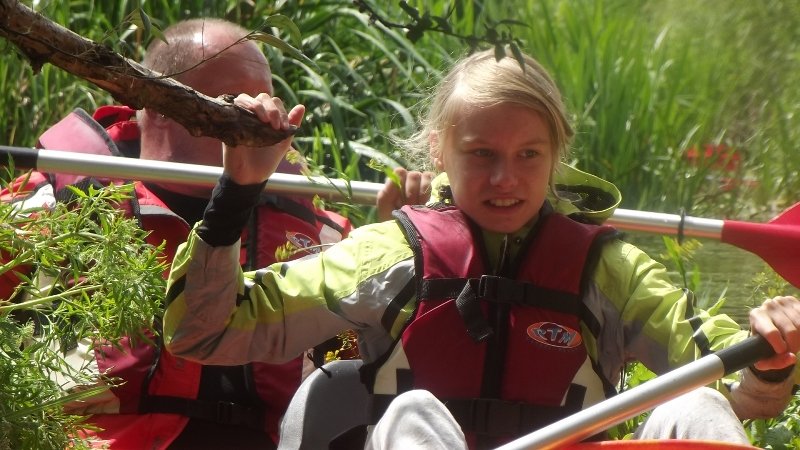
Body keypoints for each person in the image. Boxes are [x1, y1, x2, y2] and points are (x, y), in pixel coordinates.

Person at [161, 48, 800, 449]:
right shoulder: (388, 256)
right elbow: (205, 333)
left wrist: (769, 356)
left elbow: (742, 386)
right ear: (439, 150)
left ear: (557, 154)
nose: (505, 179)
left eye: (529, 155)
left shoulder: (608, 270)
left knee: (698, 400)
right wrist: (238, 191)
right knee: (411, 413)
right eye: (481, 154)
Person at [1, 18, 426, 450]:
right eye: (235, 103)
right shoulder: (47, 205)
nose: (261, 117)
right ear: (161, 103)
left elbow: (380, 368)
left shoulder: (324, 233)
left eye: (267, 101)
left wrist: (414, 239)